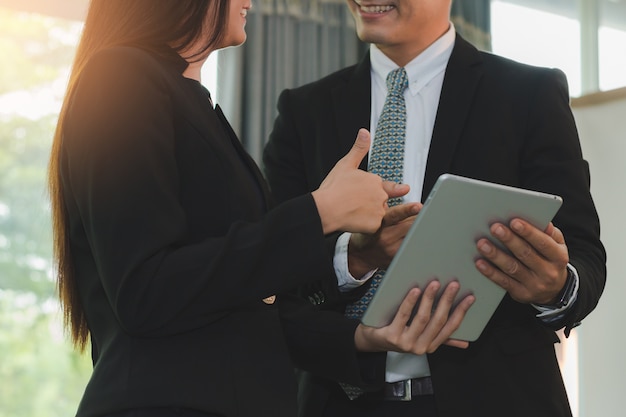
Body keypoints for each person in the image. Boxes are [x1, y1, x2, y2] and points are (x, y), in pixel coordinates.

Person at [47, 1, 477, 417]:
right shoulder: (121, 76)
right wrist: (321, 212)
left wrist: (363, 314)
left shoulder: (188, 98)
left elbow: (243, 293)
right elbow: (145, 289)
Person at [262, 0, 607, 416]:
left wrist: (556, 287)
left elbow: (584, 257)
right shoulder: (303, 112)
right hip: (338, 402)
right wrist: (353, 258)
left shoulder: (528, 95)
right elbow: (273, 277)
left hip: (498, 399)